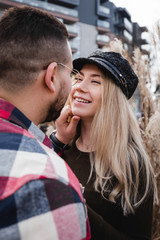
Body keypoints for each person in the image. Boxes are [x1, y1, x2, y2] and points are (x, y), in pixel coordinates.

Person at [0, 6, 90, 240]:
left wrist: (57, 142)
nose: (76, 86)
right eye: (72, 74)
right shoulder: (49, 185)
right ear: (51, 77)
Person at [51, 50, 157, 240]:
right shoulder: (61, 147)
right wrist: (58, 139)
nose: (80, 87)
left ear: (113, 98)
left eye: (95, 81)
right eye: (79, 78)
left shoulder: (131, 163)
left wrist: (80, 209)